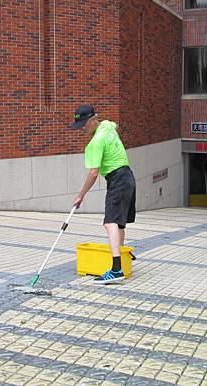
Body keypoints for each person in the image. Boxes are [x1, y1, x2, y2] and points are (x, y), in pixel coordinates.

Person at [71, 105, 136, 284]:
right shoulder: (106, 125)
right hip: (128, 177)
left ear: (93, 120)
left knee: (110, 223)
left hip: (117, 179)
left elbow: (93, 173)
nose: (82, 128)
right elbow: (115, 126)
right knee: (119, 224)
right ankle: (121, 263)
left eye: (84, 124)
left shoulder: (95, 143)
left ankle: (116, 270)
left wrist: (81, 195)